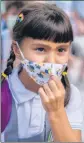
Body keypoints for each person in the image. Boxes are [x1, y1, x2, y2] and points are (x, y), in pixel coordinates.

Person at [1, 3, 83, 142]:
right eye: (40, 49)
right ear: (16, 49)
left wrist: (57, 112)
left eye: (61, 50)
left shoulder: (69, 95)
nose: (51, 61)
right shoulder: (5, 92)